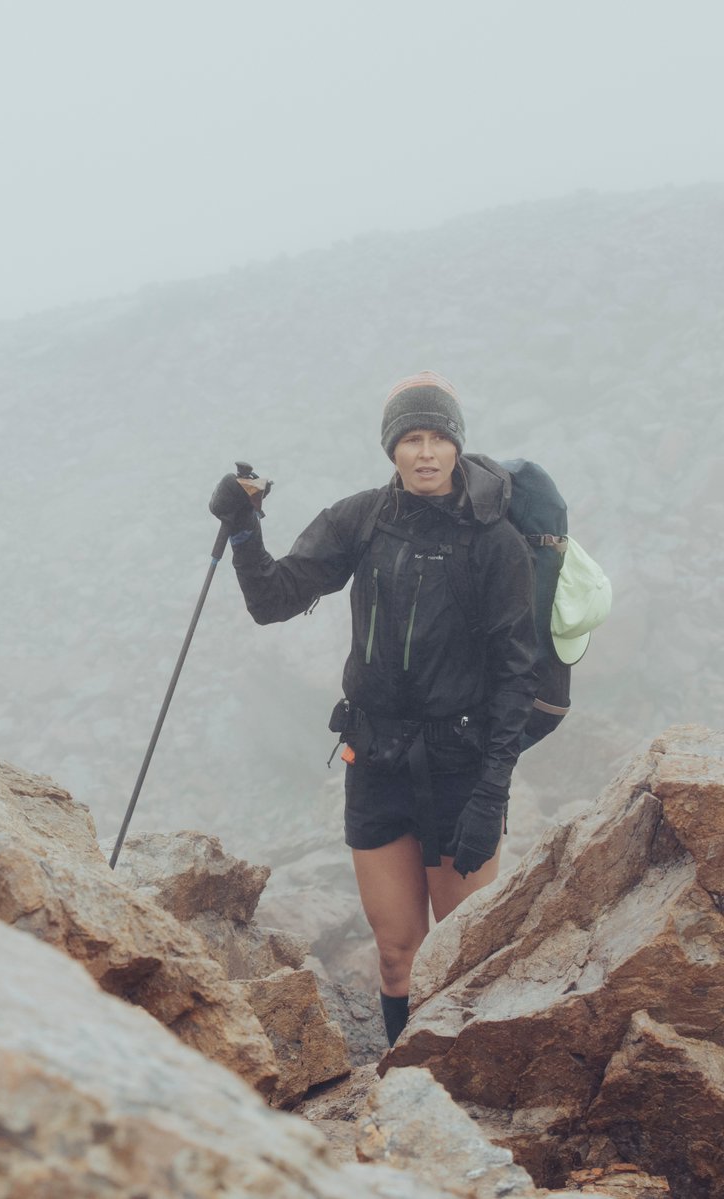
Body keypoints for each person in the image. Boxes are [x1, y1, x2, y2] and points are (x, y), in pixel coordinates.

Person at [209, 372, 537, 1047]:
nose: (425, 452)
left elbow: (514, 674)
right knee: (397, 952)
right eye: (411, 438)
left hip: (460, 766)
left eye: (437, 437)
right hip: (377, 759)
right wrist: (243, 530)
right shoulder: (362, 519)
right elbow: (272, 599)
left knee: (468, 956)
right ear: (392, 448)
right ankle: (405, 1080)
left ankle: (473, 1095)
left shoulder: (494, 540)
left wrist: (492, 790)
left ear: (456, 445)